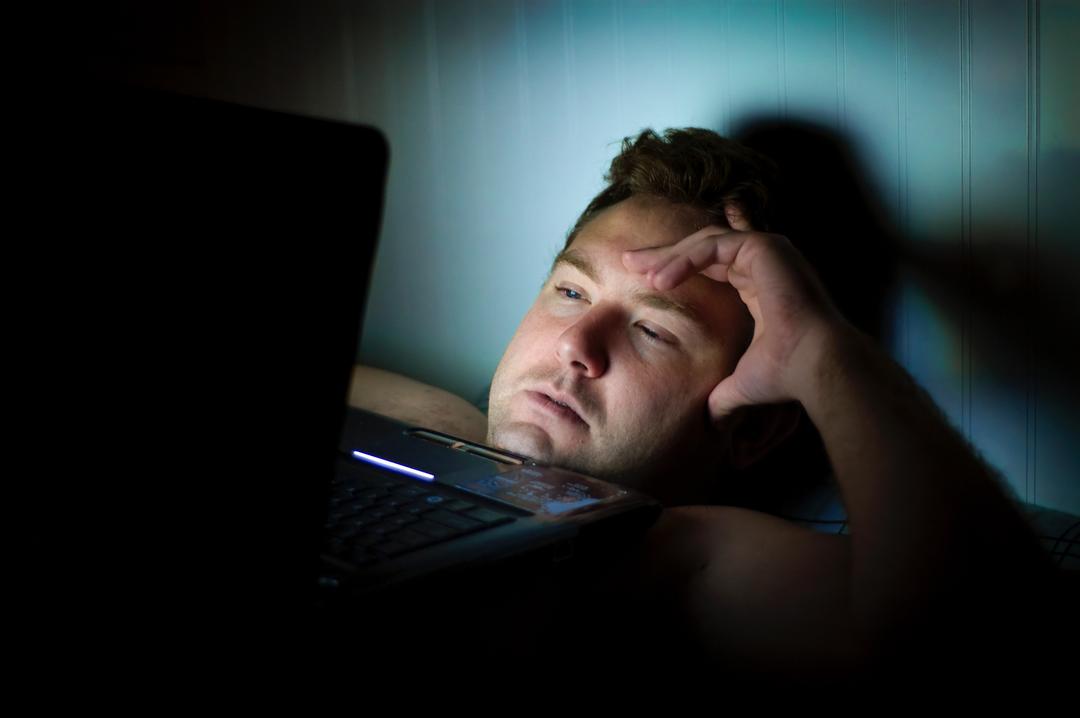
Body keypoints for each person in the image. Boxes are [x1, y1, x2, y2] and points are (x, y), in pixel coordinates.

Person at [350, 128, 1068, 689]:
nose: (575, 345)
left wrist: (820, 350)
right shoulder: (438, 426)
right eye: (570, 292)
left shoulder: (681, 556)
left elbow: (972, 641)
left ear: (751, 430)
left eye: (653, 330)